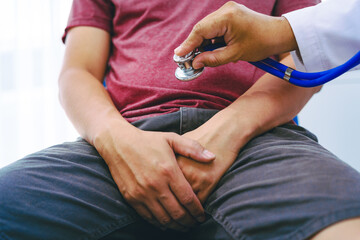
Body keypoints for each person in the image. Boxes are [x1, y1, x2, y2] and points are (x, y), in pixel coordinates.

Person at [1, 1, 360, 240]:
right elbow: (76, 73)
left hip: (256, 143)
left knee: (346, 219)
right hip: (121, 146)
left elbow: (307, 53)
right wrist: (118, 143)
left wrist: (227, 132)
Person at [175, 0, 360, 73]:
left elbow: (306, 57)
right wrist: (144, 141)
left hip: (260, 134)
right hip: (145, 128)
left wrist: (229, 129)